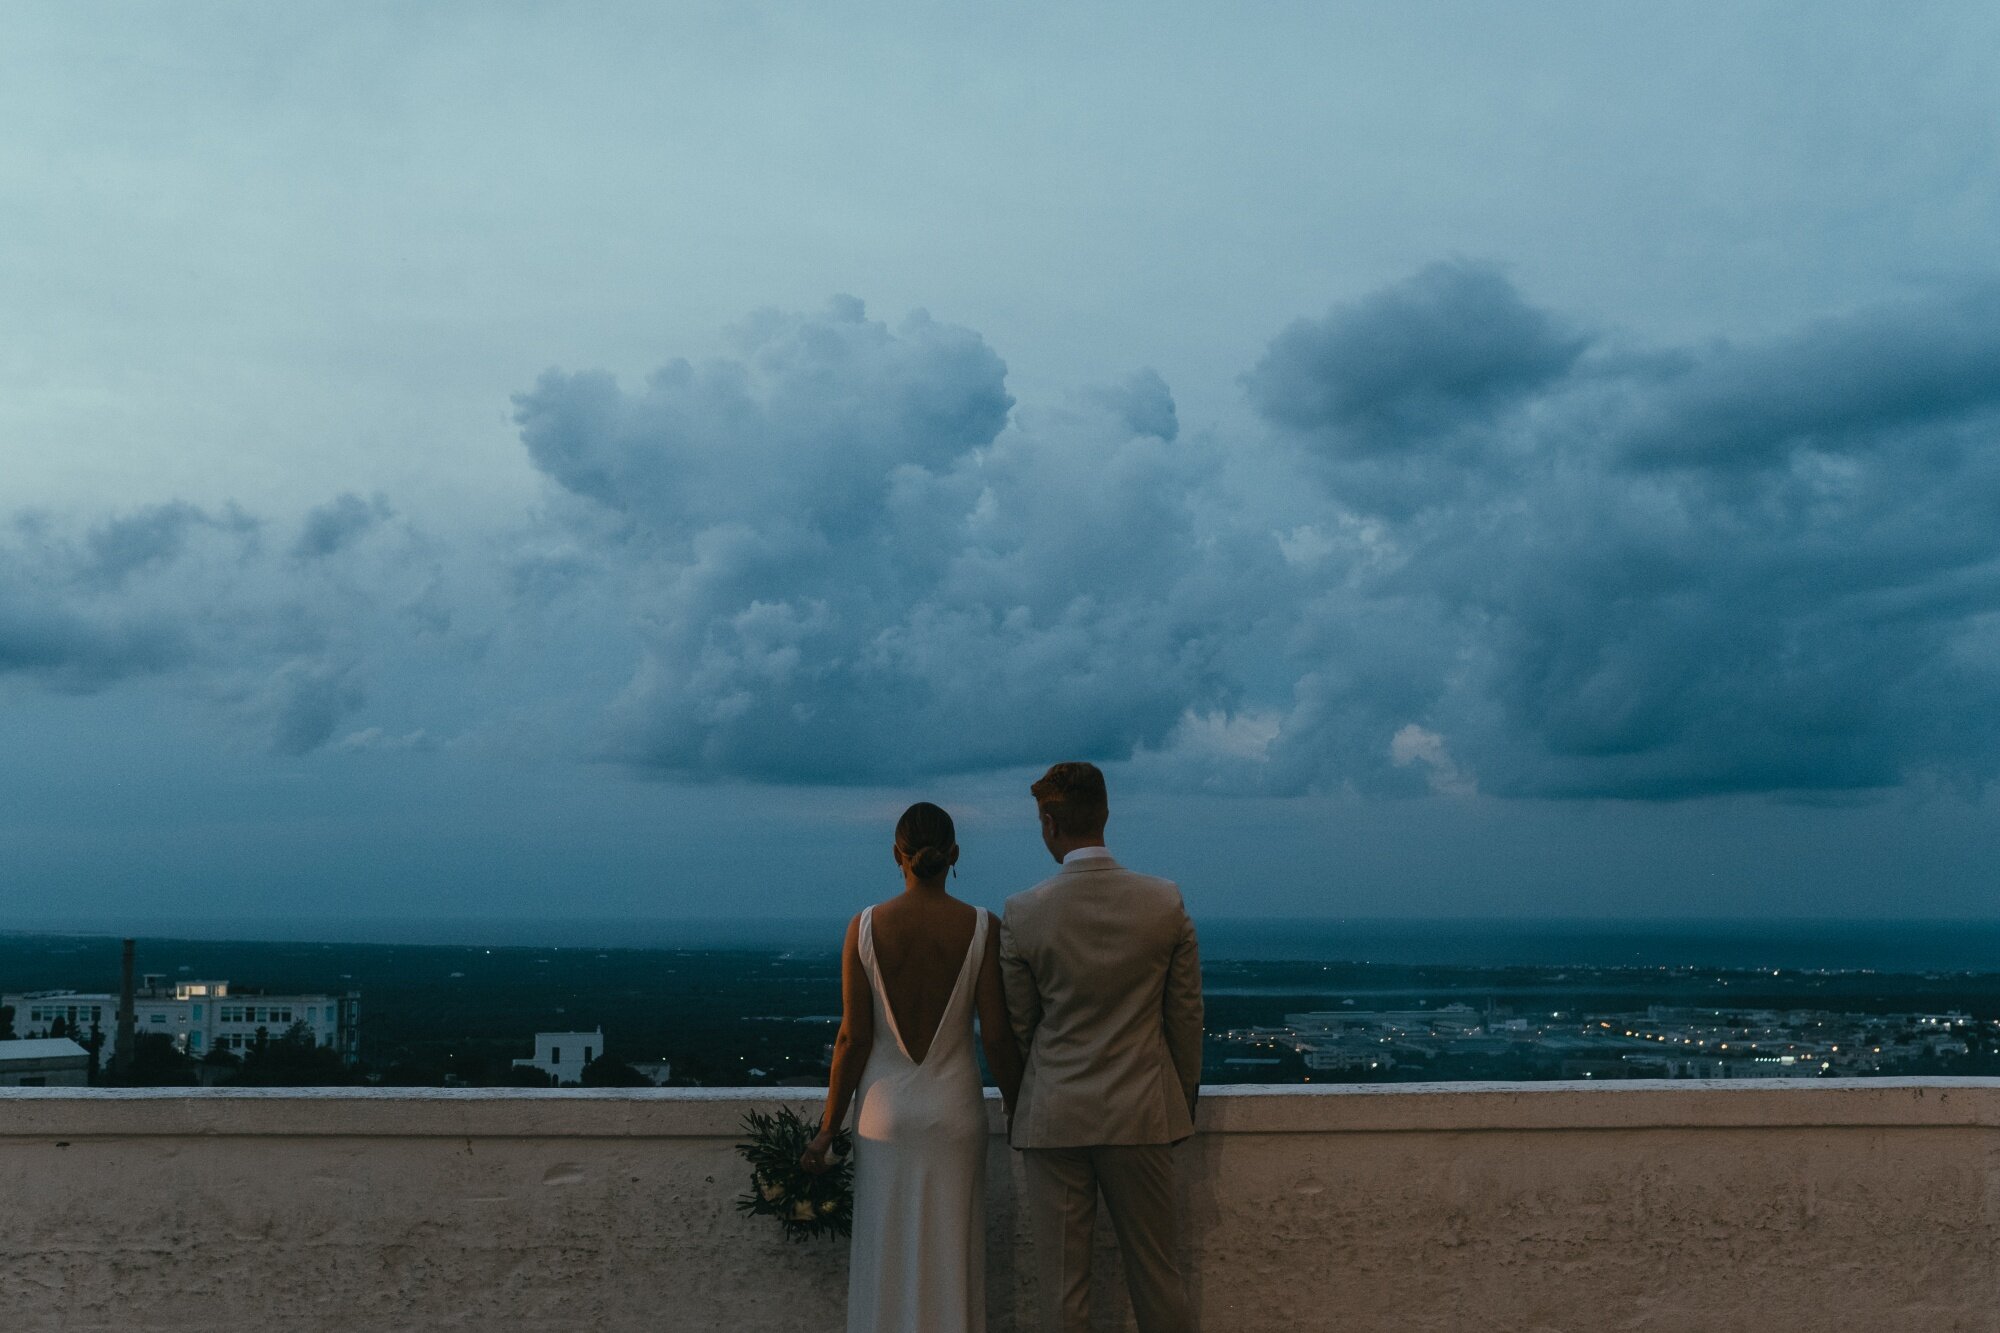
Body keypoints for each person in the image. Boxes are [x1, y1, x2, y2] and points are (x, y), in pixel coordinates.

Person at [802, 801, 1023, 1333]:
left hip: (884, 1122)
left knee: (885, 1258)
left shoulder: (865, 927)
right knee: (953, 1257)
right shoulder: (982, 927)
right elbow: (996, 1036)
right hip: (954, 1118)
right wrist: (1019, 1108)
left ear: (895, 855)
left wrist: (827, 1130)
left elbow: (853, 1039)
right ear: (954, 855)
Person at [1000, 761, 1203, 1333]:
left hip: (1055, 1115)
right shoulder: (1163, 902)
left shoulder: (1024, 911)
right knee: (1159, 1280)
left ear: (1048, 822)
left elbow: (1020, 1026)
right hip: (1140, 1110)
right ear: (1106, 814)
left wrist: (1025, 1107)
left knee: (1064, 1293)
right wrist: (1179, 1100)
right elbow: (1185, 1017)